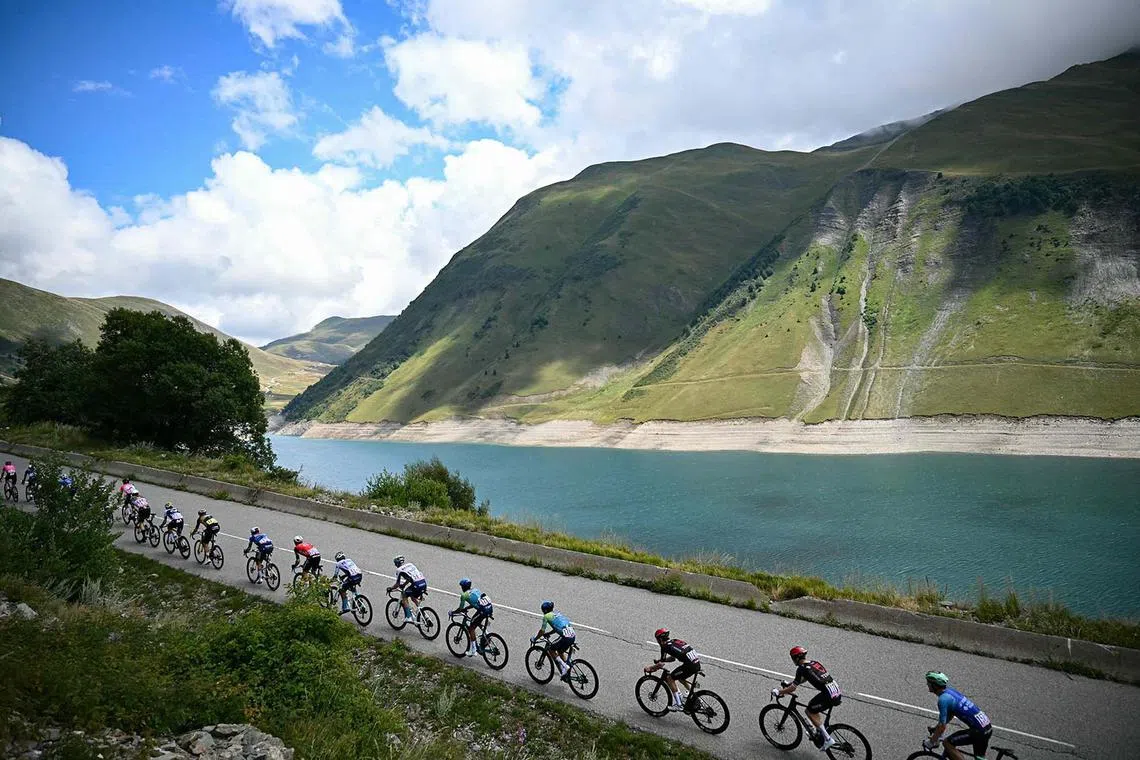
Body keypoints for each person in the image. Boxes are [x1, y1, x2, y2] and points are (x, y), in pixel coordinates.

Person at [772, 647, 841, 752]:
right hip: (835, 691)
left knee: (809, 710)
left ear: (796, 657)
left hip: (828, 695)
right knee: (813, 707)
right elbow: (804, 678)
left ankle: (828, 738)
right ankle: (819, 731)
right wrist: (789, 684)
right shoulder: (814, 663)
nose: (792, 660)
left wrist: (779, 692)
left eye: (792, 658)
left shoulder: (801, 668)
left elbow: (793, 688)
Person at [923, 671, 992, 760]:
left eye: (928, 682)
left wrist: (932, 741)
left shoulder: (943, 700)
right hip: (987, 727)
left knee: (947, 743)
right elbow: (950, 715)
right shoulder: (950, 691)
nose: (927, 684)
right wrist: (936, 729)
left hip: (979, 731)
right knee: (979, 758)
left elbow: (942, 727)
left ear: (934, 685)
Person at [644, 628, 701, 711]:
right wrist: (661, 660)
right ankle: (693, 696)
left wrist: (651, 668)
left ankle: (679, 704)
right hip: (696, 663)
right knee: (681, 677)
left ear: (659, 639)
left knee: (670, 678)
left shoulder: (665, 646)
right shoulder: (675, 641)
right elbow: (673, 658)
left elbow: (660, 665)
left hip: (689, 665)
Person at [532, 600, 576, 682]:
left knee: (550, 649)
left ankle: (565, 667)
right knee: (560, 651)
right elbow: (558, 627)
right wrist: (549, 633)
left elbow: (542, 631)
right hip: (572, 635)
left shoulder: (546, 617)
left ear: (544, 610)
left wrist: (535, 639)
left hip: (565, 637)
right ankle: (567, 668)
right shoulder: (556, 613)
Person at [452, 578, 494, 657]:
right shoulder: (475, 590)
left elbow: (460, 608)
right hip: (488, 608)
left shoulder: (464, 595)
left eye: (461, 586)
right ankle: (487, 636)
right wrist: (467, 608)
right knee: (477, 622)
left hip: (482, 611)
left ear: (463, 587)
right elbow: (476, 602)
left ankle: (473, 650)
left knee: (471, 628)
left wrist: (453, 612)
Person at [387, 555, 427, 624]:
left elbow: (397, 584)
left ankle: (408, 617)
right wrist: (404, 585)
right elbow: (409, 578)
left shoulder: (399, 570)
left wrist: (391, 588)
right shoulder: (410, 564)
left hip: (416, 584)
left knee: (404, 596)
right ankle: (424, 615)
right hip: (423, 583)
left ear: (396, 564)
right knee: (412, 596)